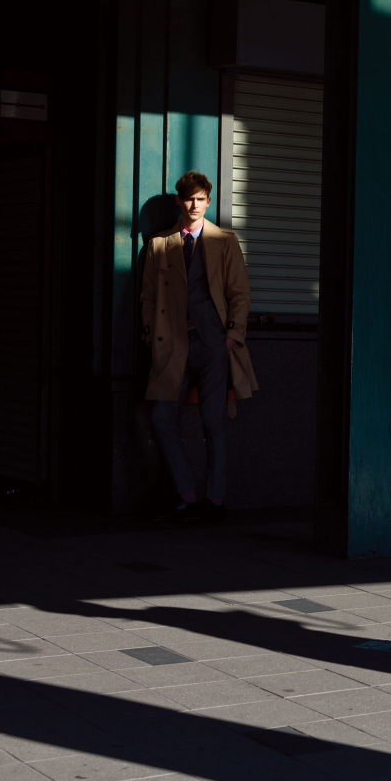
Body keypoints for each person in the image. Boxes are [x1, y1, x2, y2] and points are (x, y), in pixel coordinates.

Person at [140, 171, 258, 523]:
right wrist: (151, 336)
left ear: (208, 201)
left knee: (214, 420)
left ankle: (215, 500)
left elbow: (240, 294)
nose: (194, 205)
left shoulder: (225, 241)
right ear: (179, 201)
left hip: (213, 344)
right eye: (189, 198)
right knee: (161, 416)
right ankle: (187, 494)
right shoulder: (159, 244)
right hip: (172, 344)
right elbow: (147, 297)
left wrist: (230, 337)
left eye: (201, 199)